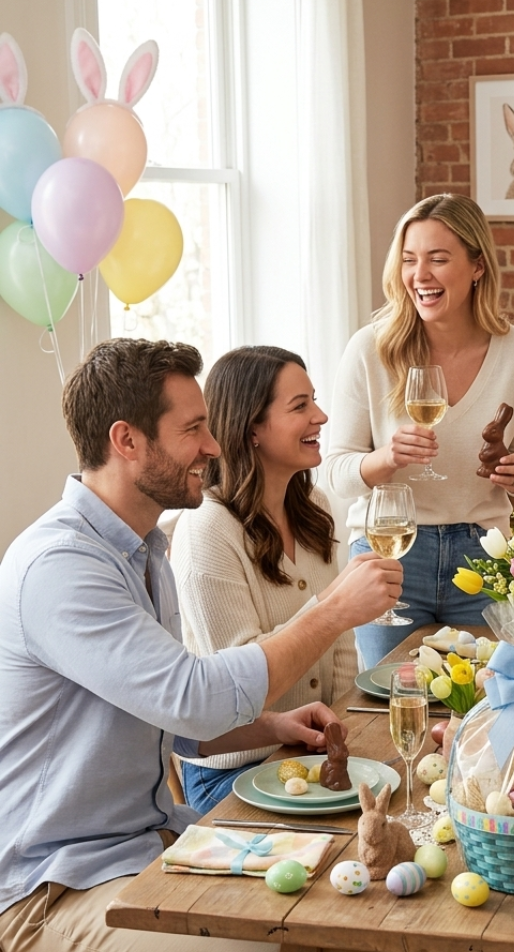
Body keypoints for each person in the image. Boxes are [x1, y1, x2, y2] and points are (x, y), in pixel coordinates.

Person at [0, 338, 402, 952]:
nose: (214, 447)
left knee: (353, 903)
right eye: (193, 430)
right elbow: (192, 699)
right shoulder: (63, 566)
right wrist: (331, 611)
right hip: (57, 887)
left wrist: (271, 726)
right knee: (282, 939)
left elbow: (165, 719)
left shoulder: (142, 549)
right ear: (126, 441)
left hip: (154, 844)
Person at [325, 193, 514, 668]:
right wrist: (387, 458)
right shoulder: (371, 349)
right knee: (392, 701)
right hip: (391, 552)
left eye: (438, 259)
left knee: (489, 701)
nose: (419, 275)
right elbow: (335, 472)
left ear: (477, 266)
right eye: (409, 260)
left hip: (485, 553)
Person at [171, 346, 366, 814]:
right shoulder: (207, 531)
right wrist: (331, 608)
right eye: (300, 406)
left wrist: (344, 738)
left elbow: (340, 649)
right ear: (251, 428)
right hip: (235, 770)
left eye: (314, 400)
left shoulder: (313, 508)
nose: (320, 416)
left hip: (310, 753)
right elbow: (241, 688)